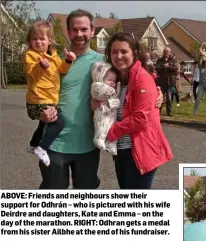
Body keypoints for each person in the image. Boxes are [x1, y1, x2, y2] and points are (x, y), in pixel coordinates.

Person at [39, 9, 163, 189]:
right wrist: (40, 111)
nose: (79, 34)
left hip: (88, 145)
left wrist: (157, 92)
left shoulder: (105, 63)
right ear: (68, 31)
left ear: (92, 31)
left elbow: (132, 80)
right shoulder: (55, 63)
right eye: (75, 29)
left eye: (83, 29)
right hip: (56, 143)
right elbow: (39, 92)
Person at [104, 32, 173, 189]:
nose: (118, 56)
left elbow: (140, 118)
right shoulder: (118, 79)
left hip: (139, 151)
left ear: (134, 53)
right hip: (122, 150)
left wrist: (110, 131)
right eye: (114, 52)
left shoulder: (142, 78)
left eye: (123, 51)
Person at [24, 20, 76, 167]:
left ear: (50, 40)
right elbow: (32, 73)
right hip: (38, 100)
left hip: (49, 99)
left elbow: (62, 69)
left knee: (43, 125)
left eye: (42, 38)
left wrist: (68, 60)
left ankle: (33, 145)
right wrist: (41, 66)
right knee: (59, 122)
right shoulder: (30, 55)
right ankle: (42, 148)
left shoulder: (53, 55)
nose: (38, 42)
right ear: (30, 41)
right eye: (34, 39)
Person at [91, 61, 120, 155]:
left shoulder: (115, 92)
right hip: (102, 113)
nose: (112, 83)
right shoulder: (97, 86)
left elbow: (117, 102)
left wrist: (111, 102)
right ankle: (99, 139)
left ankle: (111, 144)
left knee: (112, 129)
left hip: (112, 115)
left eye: (114, 81)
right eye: (109, 80)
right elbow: (98, 91)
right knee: (101, 127)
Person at [155, 47, 178, 116]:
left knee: (169, 98)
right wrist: (163, 67)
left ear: (170, 53)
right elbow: (157, 68)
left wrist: (169, 67)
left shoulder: (173, 60)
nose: (166, 53)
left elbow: (175, 68)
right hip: (161, 82)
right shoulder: (159, 60)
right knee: (160, 98)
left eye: (167, 52)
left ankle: (169, 112)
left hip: (170, 82)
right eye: (165, 51)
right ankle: (158, 112)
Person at [192, 49, 206, 116]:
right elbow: (199, 61)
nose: (205, 63)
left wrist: (205, 55)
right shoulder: (200, 67)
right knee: (198, 99)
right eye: (204, 62)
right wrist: (200, 55)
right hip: (201, 85)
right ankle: (194, 112)